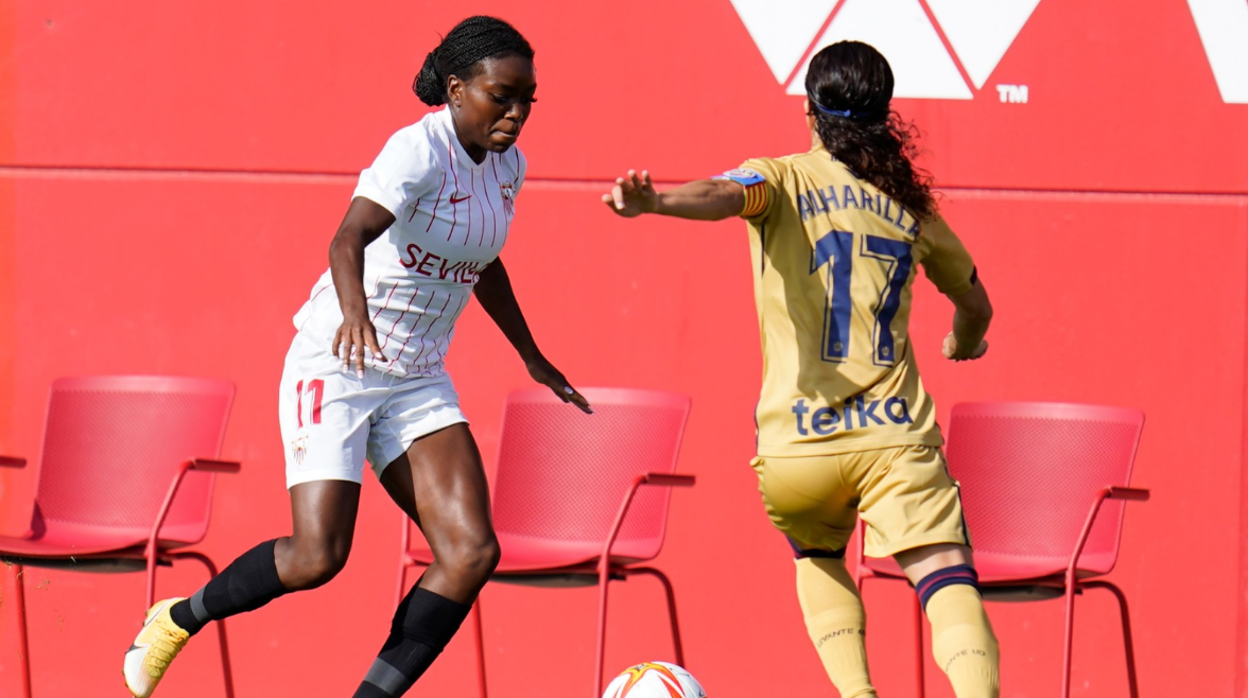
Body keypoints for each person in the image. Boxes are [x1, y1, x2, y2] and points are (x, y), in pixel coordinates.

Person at [124, 16, 590, 698]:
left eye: (529, 100)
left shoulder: (509, 166)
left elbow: (483, 264)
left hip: (418, 376)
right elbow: (347, 239)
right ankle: (177, 618)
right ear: (457, 89)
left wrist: (532, 355)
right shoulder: (417, 151)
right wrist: (354, 317)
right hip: (338, 359)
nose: (517, 113)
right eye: (502, 96)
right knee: (317, 557)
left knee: (470, 552)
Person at [602, 41, 998, 698]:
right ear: (884, 115)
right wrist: (963, 341)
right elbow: (975, 303)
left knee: (818, 555)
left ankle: (858, 694)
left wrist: (659, 203)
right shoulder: (911, 206)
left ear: (809, 112)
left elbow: (723, 193)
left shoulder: (780, 178)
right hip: (893, 439)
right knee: (943, 572)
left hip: (796, 447)